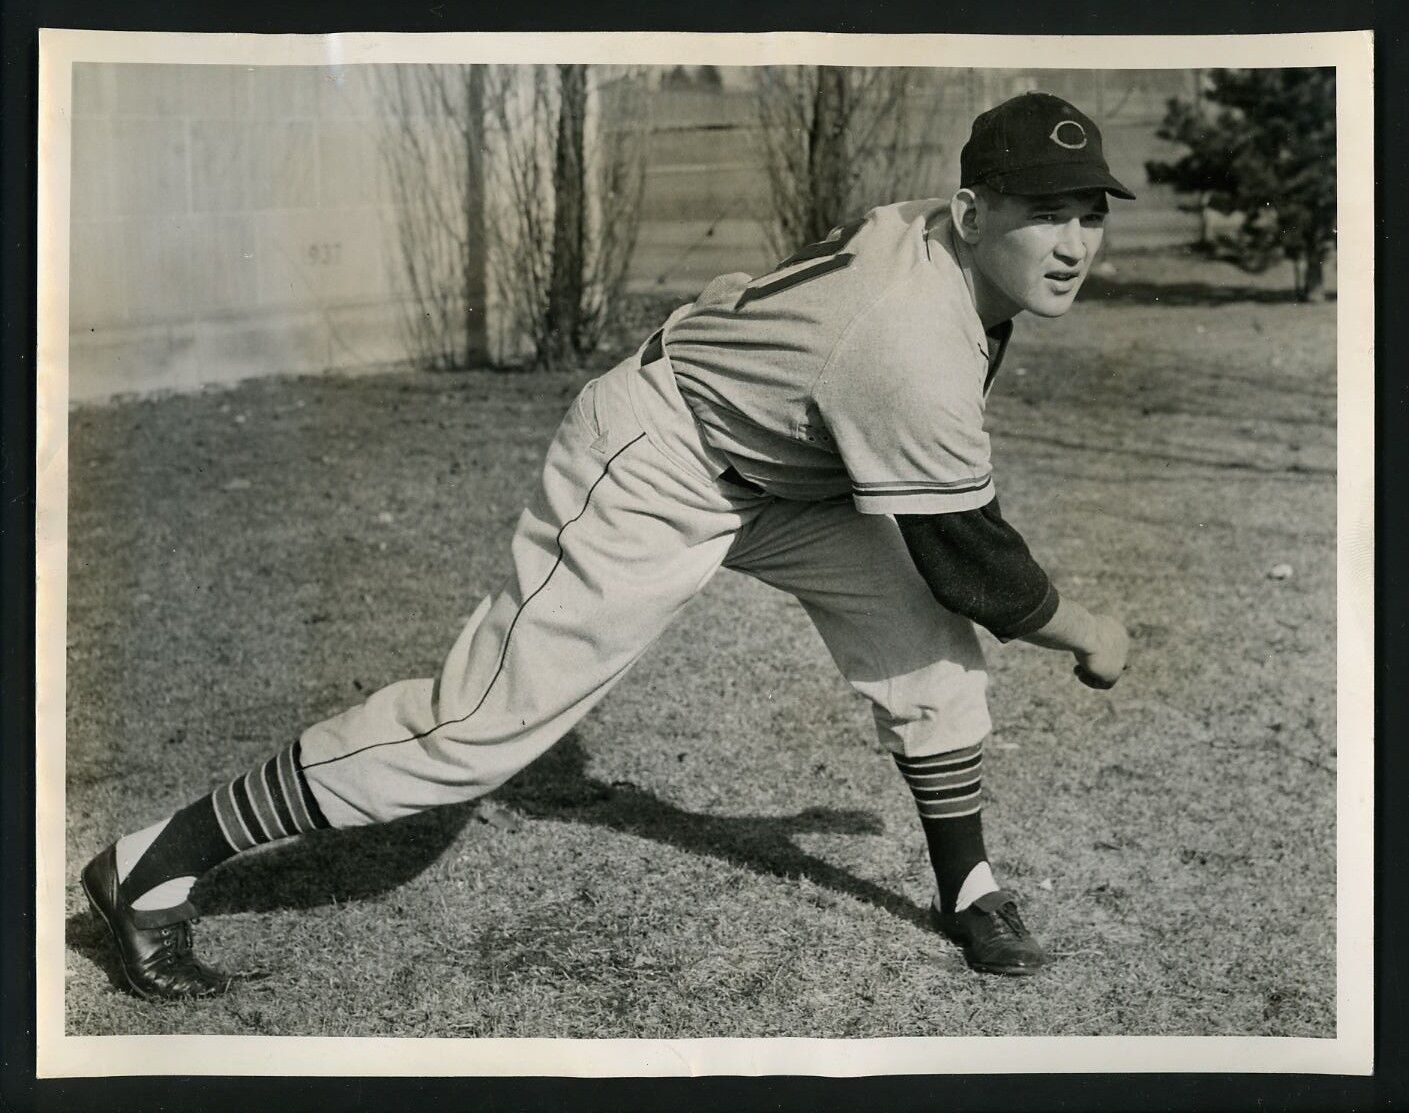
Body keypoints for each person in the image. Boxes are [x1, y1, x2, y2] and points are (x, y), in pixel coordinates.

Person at [81, 91, 1133, 1000]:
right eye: (1044, 216)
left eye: (1087, 214)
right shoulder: (910, 342)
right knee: (471, 733)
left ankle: (969, 890)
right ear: (969, 212)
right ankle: (145, 868)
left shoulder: (937, 247)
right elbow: (974, 560)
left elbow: (937, 554)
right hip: (659, 456)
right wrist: (1085, 631)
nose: (1074, 243)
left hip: (784, 464)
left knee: (924, 641)